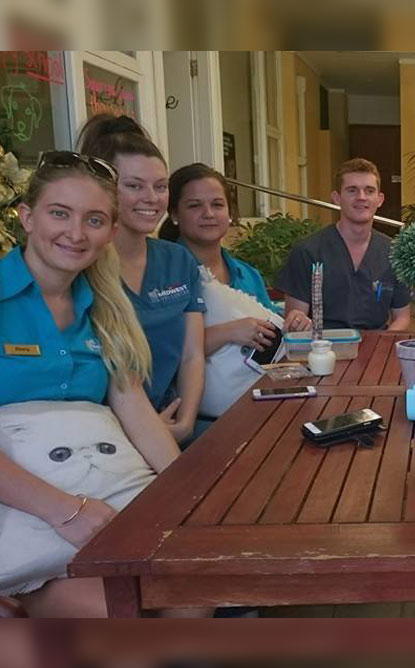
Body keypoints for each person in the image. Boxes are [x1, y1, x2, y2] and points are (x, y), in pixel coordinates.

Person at [0, 152, 180, 616]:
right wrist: (66, 511)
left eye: (94, 219)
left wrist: (187, 495)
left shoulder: (107, 307)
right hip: (24, 513)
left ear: (111, 233)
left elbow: (134, 408)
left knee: (196, 581)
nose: (76, 233)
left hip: (105, 491)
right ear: (26, 217)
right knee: (121, 612)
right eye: (60, 213)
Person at [77, 115, 206, 445]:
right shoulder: (80, 265)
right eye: (134, 186)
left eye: (160, 186)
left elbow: (192, 353)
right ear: (103, 189)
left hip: (174, 421)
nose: (152, 197)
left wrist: (187, 420)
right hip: (103, 438)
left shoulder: (177, 259)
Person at [164, 163, 312, 356]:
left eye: (217, 205)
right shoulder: (164, 273)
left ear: (231, 214)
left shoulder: (248, 274)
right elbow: (162, 349)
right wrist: (228, 332)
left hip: (256, 383)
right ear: (174, 214)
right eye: (194, 205)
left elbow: (272, 331)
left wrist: (294, 323)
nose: (208, 213)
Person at [274, 158, 410, 331]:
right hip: (322, 348)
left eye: (369, 191)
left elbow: (402, 317)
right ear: (336, 198)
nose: (361, 197)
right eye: (352, 190)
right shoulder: (307, 251)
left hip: (377, 346)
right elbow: (295, 319)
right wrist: (298, 322)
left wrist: (382, 346)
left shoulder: (394, 252)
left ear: (380, 199)